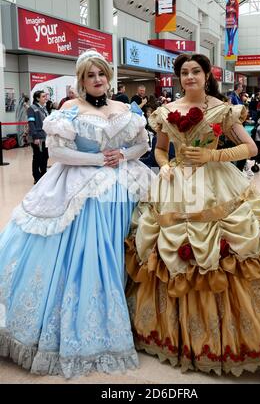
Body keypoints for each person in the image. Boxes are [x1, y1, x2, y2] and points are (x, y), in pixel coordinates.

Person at [125, 53, 260, 379]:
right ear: (179, 78)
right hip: (177, 186)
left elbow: (249, 148)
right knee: (173, 253)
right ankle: (179, 333)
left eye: (196, 71)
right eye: (184, 72)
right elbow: (161, 149)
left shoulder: (222, 108)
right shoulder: (165, 112)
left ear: (207, 76)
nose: (189, 77)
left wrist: (212, 154)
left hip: (217, 182)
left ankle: (243, 332)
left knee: (230, 250)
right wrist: (164, 167)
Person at [0, 50, 152, 378]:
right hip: (82, 189)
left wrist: (122, 155)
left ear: (108, 77)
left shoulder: (126, 108)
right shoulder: (69, 109)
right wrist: (99, 161)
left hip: (125, 186)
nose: (97, 80)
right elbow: (56, 152)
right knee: (86, 254)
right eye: (90, 75)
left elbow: (143, 144)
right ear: (81, 80)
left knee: (126, 248)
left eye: (101, 74)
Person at [27, 90, 49, 184]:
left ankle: (44, 174)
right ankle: (36, 177)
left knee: (45, 156)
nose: (46, 98)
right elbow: (31, 123)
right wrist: (35, 137)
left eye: (45, 96)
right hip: (37, 137)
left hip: (45, 137)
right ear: (37, 98)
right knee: (37, 157)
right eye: (43, 96)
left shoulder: (44, 108)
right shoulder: (32, 108)